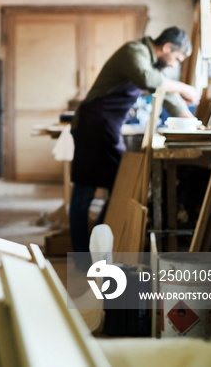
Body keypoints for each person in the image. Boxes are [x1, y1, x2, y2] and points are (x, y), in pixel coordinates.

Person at [68, 26, 200, 262]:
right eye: (177, 58)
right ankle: (81, 256)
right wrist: (184, 87)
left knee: (120, 187)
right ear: (167, 48)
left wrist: (196, 127)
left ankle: (95, 247)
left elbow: (168, 96)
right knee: (85, 192)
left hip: (107, 129)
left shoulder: (154, 65)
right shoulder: (135, 52)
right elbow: (149, 79)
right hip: (91, 126)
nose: (174, 64)